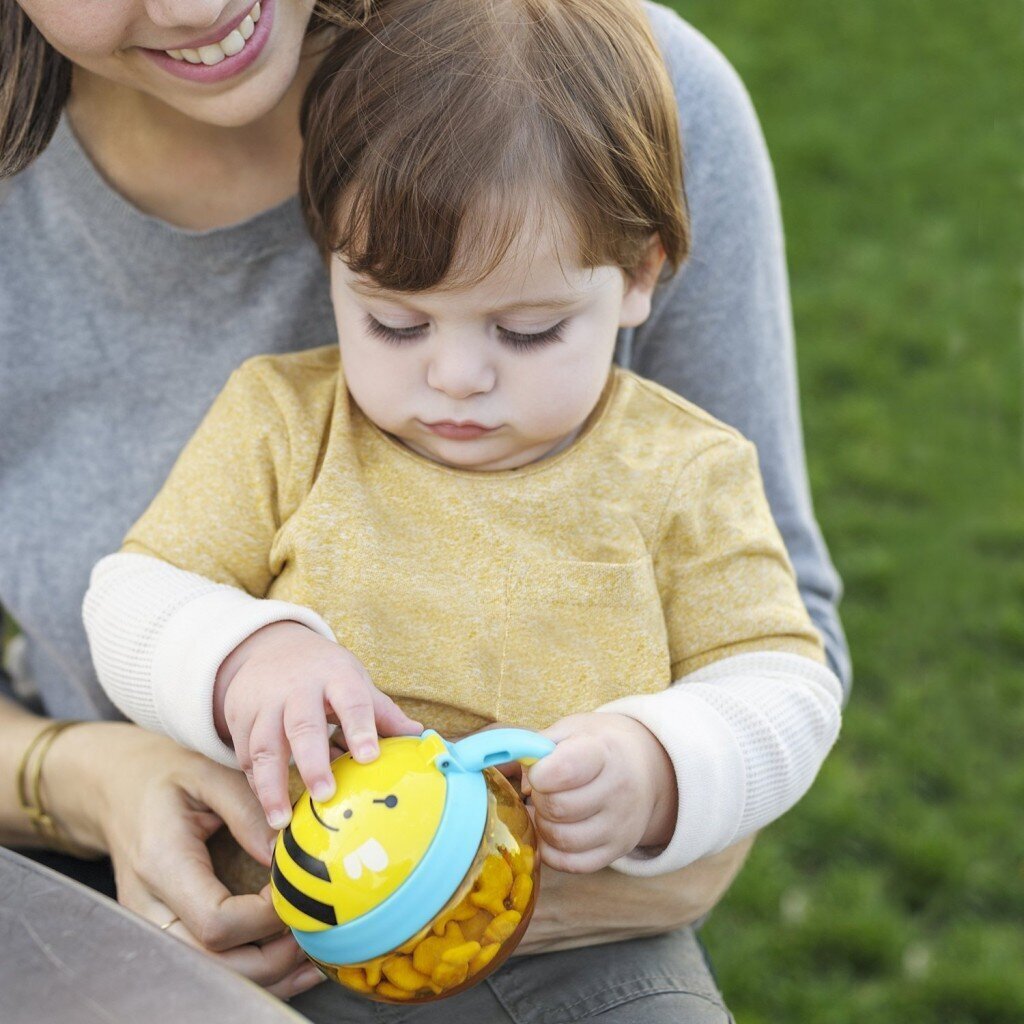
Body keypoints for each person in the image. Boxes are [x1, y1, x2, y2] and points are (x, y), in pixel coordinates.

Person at [0, 0, 849, 1019]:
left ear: (640, 274)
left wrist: (663, 763)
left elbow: (784, 671)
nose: (454, 379)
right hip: (267, 914)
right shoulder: (289, 420)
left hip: (569, 943)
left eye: (528, 331)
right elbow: (132, 594)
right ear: (330, 257)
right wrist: (245, 657)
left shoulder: (679, 467)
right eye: (394, 322)